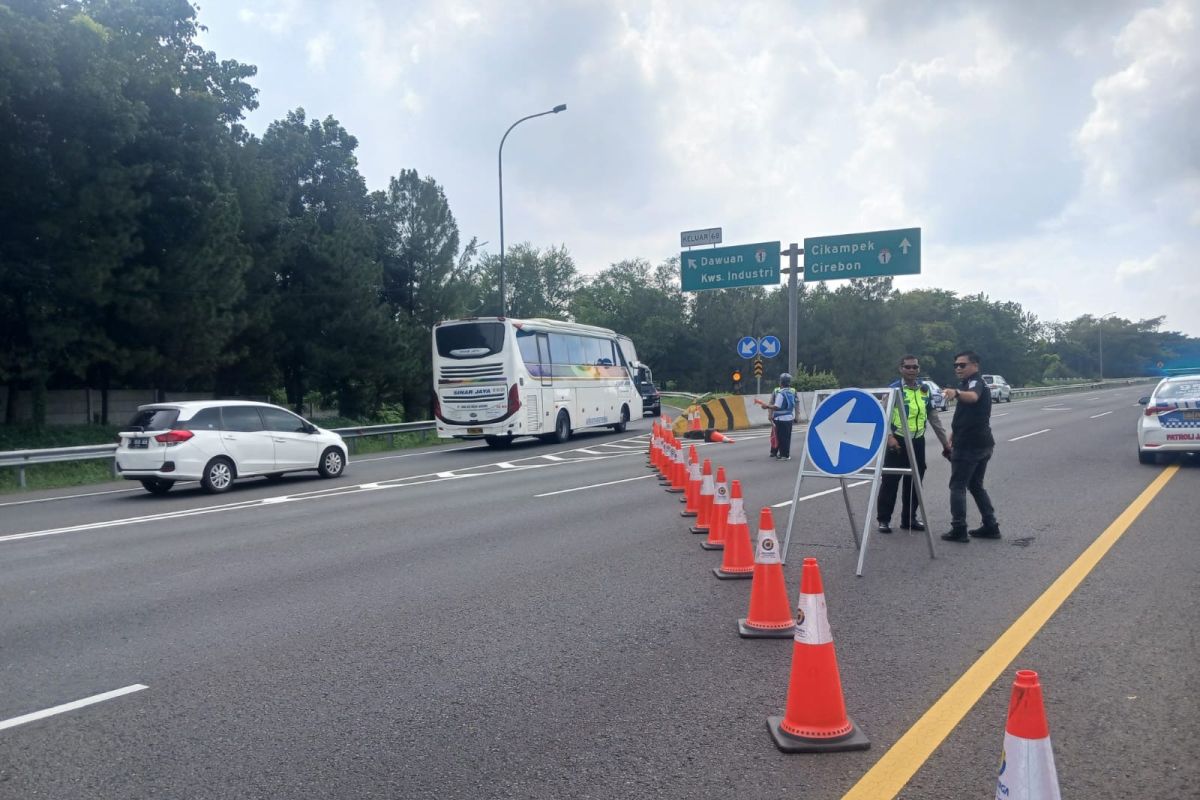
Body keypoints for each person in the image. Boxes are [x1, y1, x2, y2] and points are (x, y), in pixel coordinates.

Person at [876, 355, 950, 534]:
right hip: (898, 441)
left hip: (917, 441)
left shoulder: (924, 390)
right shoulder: (894, 389)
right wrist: (889, 437)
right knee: (890, 480)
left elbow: (933, 418)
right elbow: (882, 415)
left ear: (918, 369)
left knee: (915, 481)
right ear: (901, 369)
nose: (911, 370)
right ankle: (884, 520)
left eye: (914, 367)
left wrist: (945, 444)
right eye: (907, 367)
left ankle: (909, 519)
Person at [939, 350, 1000, 542]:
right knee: (975, 485)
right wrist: (954, 433)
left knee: (957, 486)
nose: (958, 368)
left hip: (970, 446)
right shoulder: (967, 383)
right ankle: (990, 525)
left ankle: (959, 528)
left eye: (962, 365)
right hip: (980, 443)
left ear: (975, 365)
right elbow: (969, 413)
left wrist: (955, 393)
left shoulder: (975, 382)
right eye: (956, 365)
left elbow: (973, 397)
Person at [763, 373, 797, 460]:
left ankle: (784, 455)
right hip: (789, 418)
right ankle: (784, 454)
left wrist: (767, 406)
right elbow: (795, 404)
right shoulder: (791, 392)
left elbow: (776, 406)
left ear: (781, 382)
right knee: (786, 437)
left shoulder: (780, 393)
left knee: (781, 438)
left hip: (780, 419)